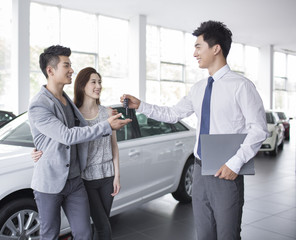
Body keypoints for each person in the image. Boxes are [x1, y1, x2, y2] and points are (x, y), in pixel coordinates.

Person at [120, 21, 268, 240]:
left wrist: (235, 163)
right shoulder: (199, 88)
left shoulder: (241, 86)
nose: (194, 53)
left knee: (228, 235)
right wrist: (140, 105)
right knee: (204, 234)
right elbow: (172, 114)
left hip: (227, 172)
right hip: (200, 170)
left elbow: (258, 130)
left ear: (216, 48)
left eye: (198, 46)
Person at [28, 45, 131, 240]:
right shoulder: (38, 104)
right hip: (50, 182)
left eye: (71, 65)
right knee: (49, 235)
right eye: (66, 65)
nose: (71, 70)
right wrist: (106, 126)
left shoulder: (68, 100)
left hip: (75, 180)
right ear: (50, 71)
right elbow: (66, 136)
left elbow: (69, 135)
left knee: (84, 233)